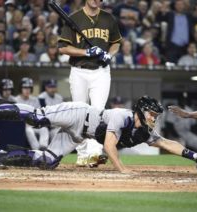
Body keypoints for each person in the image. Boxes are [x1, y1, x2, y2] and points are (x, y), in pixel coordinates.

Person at [0, 96, 197, 173]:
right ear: (142, 111)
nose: (155, 118)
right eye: (152, 113)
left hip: (79, 135)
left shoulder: (143, 130)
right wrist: (122, 169)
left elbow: (167, 144)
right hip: (79, 115)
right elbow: (110, 146)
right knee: (38, 117)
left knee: (48, 161)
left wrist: (194, 157)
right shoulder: (121, 116)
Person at [58, 0, 122, 166]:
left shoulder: (108, 18)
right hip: (79, 71)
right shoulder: (74, 18)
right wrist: (85, 52)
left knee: (98, 112)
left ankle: (94, 154)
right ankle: (82, 154)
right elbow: (63, 47)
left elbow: (116, 42)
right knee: (79, 113)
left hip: (101, 72)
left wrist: (110, 54)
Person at [15, 77, 49, 150]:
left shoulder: (35, 99)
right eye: (25, 88)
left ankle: (43, 147)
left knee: (44, 128)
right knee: (29, 130)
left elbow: (39, 114)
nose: (27, 90)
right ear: (21, 89)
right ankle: (36, 150)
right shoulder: (16, 100)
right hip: (24, 125)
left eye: (29, 88)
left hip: (34, 123)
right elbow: (16, 116)